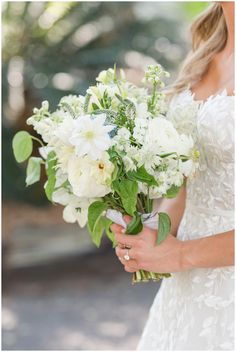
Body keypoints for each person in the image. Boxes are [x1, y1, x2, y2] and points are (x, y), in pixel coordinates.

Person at [111, 2, 234, 350]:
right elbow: (190, 186)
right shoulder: (207, 47)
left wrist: (179, 254)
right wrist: (153, 232)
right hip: (185, 296)